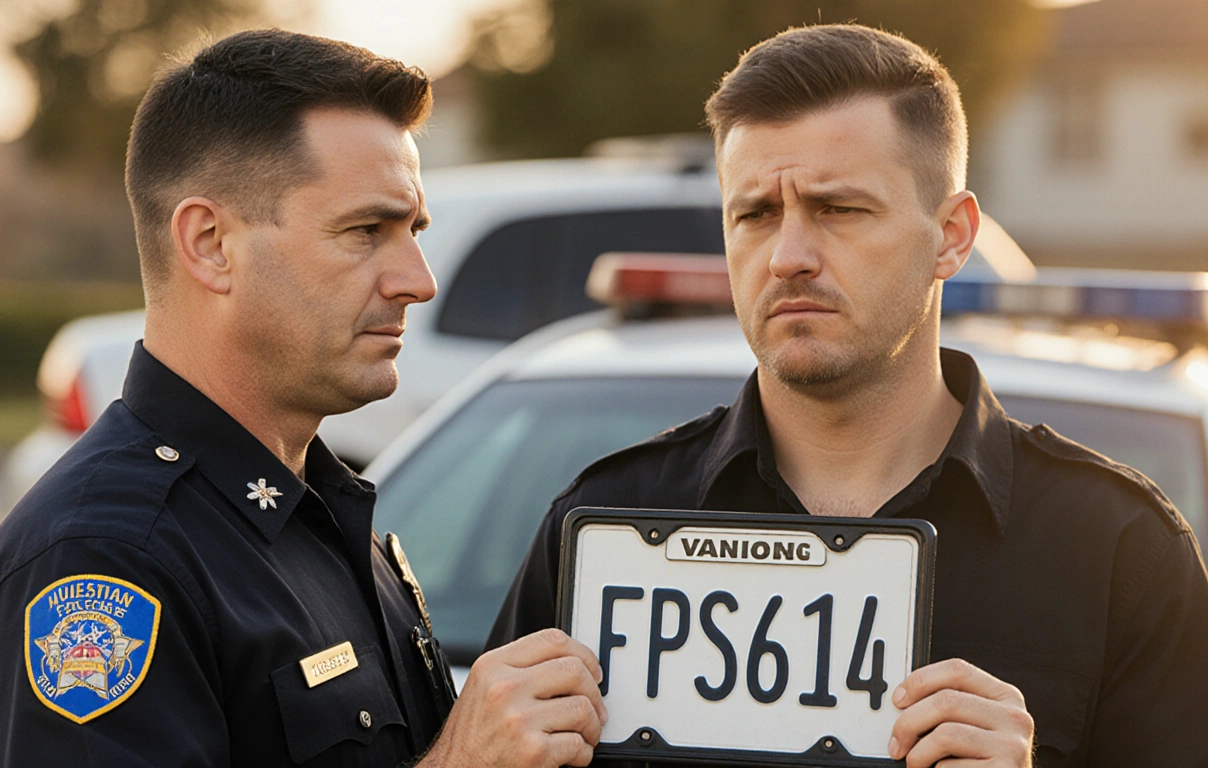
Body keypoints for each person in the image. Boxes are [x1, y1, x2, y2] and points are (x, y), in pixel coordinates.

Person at [487, 24, 1208, 768]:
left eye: (838, 209)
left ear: (953, 237)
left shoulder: (1121, 552)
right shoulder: (603, 527)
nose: (789, 257)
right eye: (755, 215)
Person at [0, 29, 605, 768]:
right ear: (209, 244)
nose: (418, 279)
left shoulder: (315, 515)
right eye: (366, 231)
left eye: (413, 230)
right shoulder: (104, 563)